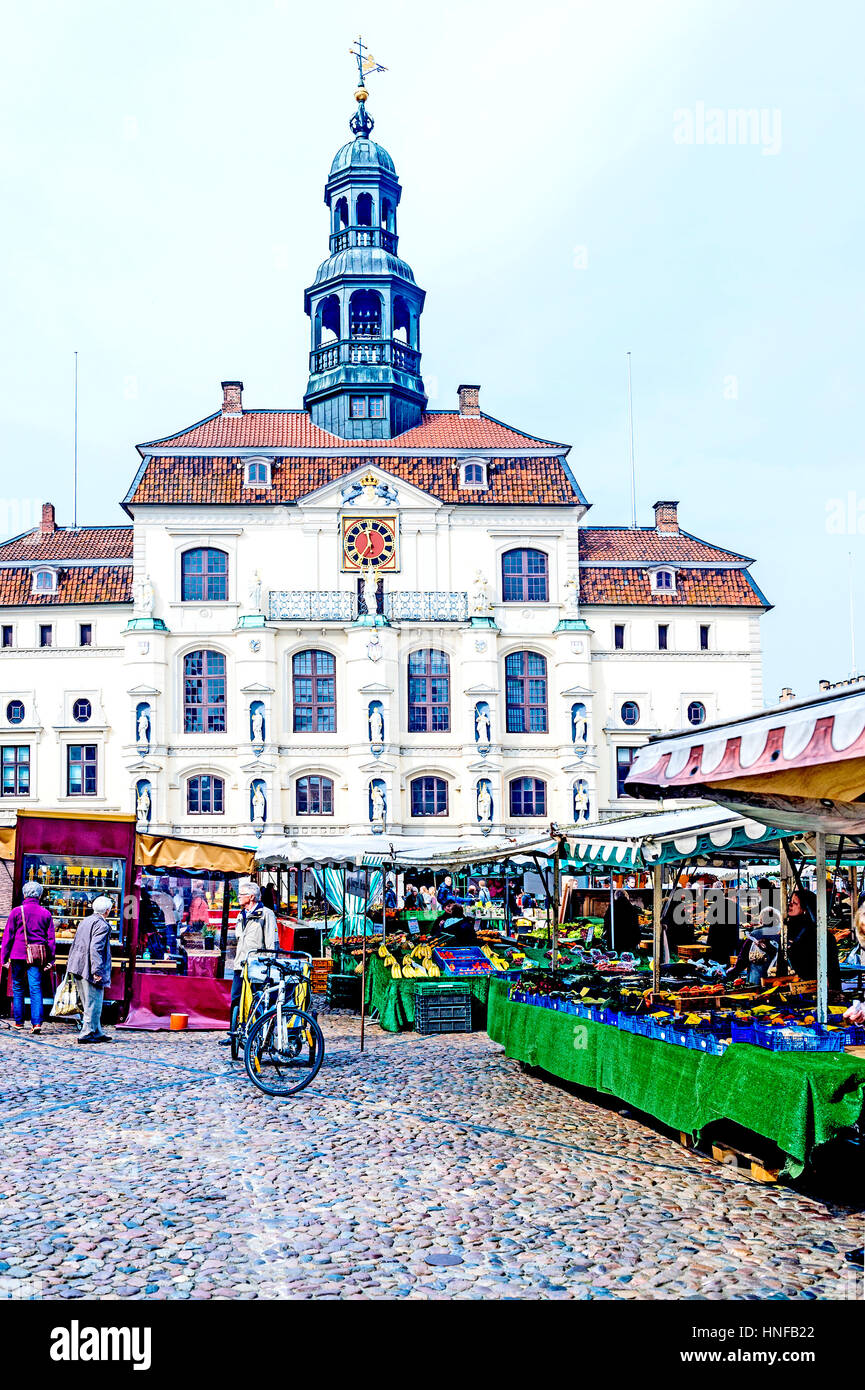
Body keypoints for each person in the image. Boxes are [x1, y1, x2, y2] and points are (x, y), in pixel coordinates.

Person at [222, 880, 278, 1047]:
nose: (239, 897)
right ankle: (235, 1032)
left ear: (251, 897)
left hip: (258, 966)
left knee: (258, 1001)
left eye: (242, 894)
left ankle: (259, 1033)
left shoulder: (266, 914)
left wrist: (270, 964)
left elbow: (271, 942)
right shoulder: (241, 915)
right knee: (236, 998)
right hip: (241, 965)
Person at [1, 881, 55, 1033]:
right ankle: (36, 1023)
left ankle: (19, 1022)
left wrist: (3, 959)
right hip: (36, 956)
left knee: (18, 987)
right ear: (40, 895)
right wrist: (51, 960)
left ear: (24, 895)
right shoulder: (46, 913)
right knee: (35, 988)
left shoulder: (16, 912)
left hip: (17, 955)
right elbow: (51, 939)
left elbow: (8, 937)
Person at [67, 894, 114, 1043]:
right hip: (89, 967)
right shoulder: (102, 925)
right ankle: (87, 1033)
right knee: (93, 1002)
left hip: (78, 965)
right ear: (107, 911)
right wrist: (97, 971)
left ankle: (97, 1031)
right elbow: (95, 949)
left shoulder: (85, 920)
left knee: (88, 1000)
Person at [787, 887, 841, 989]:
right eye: (790, 901)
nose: (790, 905)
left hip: (815, 987)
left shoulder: (818, 934)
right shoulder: (789, 928)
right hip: (798, 984)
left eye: (795, 903)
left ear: (805, 909)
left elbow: (830, 968)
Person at [603, 889, 642, 955]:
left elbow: (606, 921)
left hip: (614, 939)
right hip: (630, 940)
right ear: (626, 896)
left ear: (616, 896)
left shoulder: (612, 907)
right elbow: (636, 925)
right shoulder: (631, 908)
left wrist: (605, 933)